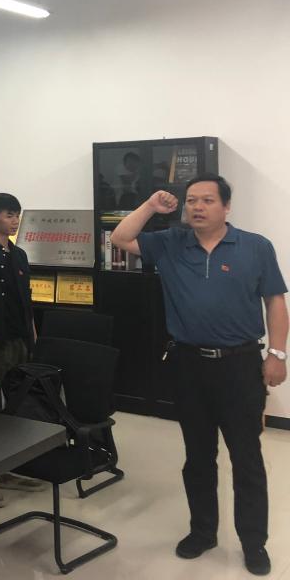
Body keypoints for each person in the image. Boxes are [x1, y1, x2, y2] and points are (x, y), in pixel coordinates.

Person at [111, 174, 287, 577]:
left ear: (227, 207)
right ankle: (203, 532)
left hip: (240, 364)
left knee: (246, 457)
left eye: (207, 200)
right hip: (188, 365)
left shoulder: (255, 247)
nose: (197, 207)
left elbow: (275, 302)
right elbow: (121, 238)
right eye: (191, 200)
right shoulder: (170, 243)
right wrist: (151, 206)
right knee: (198, 456)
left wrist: (277, 354)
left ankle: (253, 542)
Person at [0, 194, 44, 507]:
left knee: (15, 406)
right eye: (8, 215)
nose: (15, 220)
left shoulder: (18, 254)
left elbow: (26, 299)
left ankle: (7, 469)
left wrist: (32, 333)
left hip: (19, 339)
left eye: (17, 215)